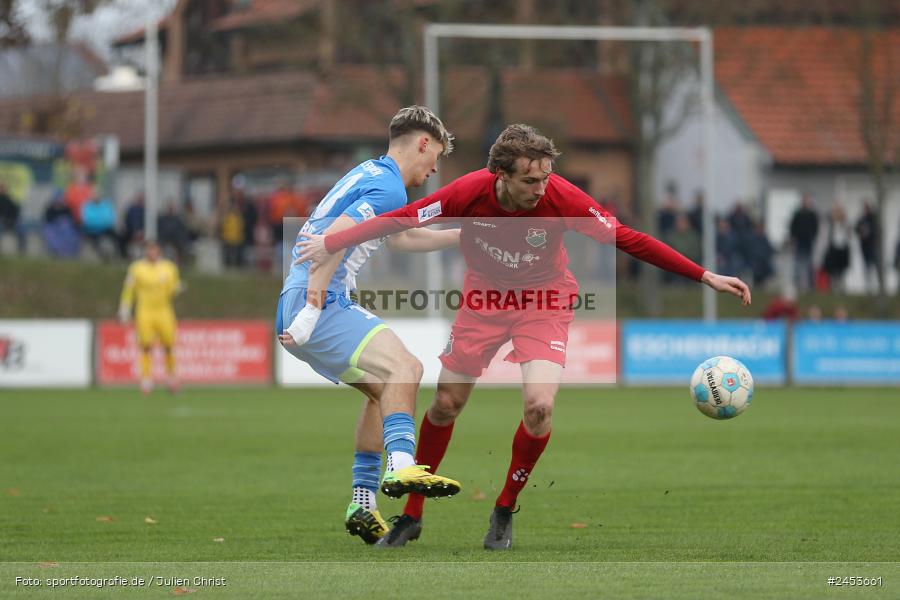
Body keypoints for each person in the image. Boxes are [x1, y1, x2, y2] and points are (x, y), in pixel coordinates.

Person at [296, 124, 752, 550]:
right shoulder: (469, 192)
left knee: (540, 406)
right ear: (500, 176)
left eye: (546, 179)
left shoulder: (562, 197)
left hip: (544, 300)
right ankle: (412, 515)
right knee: (446, 404)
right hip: (483, 301)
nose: (542, 189)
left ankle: (505, 505)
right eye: (531, 181)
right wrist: (334, 242)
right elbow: (402, 219)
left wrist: (704, 275)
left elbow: (627, 238)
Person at [276, 105, 463, 545]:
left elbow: (400, 237)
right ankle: (402, 466)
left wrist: (461, 236)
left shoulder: (371, 174)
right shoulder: (388, 187)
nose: (435, 168)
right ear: (422, 143)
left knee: (387, 394)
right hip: (320, 302)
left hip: (303, 299)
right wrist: (312, 310)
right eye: (436, 155)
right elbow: (334, 239)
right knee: (408, 370)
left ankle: (362, 502)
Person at [118, 240, 183, 394]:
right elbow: (128, 290)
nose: (152, 253)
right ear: (146, 251)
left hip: (164, 311)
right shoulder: (137, 269)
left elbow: (173, 289)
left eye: (155, 250)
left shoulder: (169, 268)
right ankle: (146, 380)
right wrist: (124, 309)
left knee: (169, 345)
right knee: (146, 346)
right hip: (144, 311)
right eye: (149, 250)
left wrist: (177, 289)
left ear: (159, 251)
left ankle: (171, 378)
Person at [789, 194, 819, 293]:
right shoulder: (798, 214)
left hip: (808, 242)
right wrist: (793, 237)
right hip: (799, 241)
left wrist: (813, 236)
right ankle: (796, 283)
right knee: (798, 263)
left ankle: (810, 285)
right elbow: (792, 227)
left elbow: (815, 228)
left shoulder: (812, 214)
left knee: (808, 263)